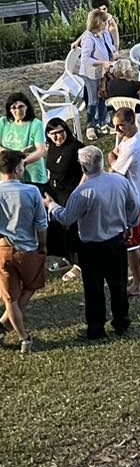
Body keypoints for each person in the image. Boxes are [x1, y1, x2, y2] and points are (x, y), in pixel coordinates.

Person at [44, 145, 140, 341]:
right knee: (119, 284)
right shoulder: (119, 181)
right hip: (116, 242)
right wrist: (130, 224)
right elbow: (134, 206)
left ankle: (96, 329)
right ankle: (121, 322)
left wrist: (51, 205)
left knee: (94, 289)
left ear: (83, 167)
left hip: (91, 247)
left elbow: (66, 218)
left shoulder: (83, 192)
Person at [0, 149, 47, 353]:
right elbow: (41, 223)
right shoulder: (31, 191)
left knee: (9, 298)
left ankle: (23, 338)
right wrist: (43, 245)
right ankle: (8, 327)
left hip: (3, 248)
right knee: (31, 285)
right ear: (18, 169)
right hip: (27, 248)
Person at [108, 108, 140, 297]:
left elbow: (115, 171)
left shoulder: (132, 146)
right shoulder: (136, 137)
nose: (117, 130)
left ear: (131, 122)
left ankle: (137, 284)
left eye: (121, 126)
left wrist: (111, 158)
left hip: (131, 203)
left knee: (131, 245)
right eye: (115, 126)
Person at [44, 117, 83, 280]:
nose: (57, 137)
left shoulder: (76, 148)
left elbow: (86, 172)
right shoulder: (52, 147)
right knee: (58, 227)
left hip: (72, 193)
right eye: (53, 134)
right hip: (55, 192)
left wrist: (79, 192)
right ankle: (67, 256)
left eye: (61, 132)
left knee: (73, 228)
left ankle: (79, 264)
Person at [79, 8, 118, 140]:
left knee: (103, 96)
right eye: (104, 21)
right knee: (93, 100)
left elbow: (110, 46)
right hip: (91, 73)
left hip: (103, 72)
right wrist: (102, 62)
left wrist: (114, 53)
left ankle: (103, 123)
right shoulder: (88, 37)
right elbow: (85, 59)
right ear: (97, 22)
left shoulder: (104, 33)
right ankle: (90, 126)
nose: (106, 23)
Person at [0, 92, 47, 188]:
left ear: (27, 107)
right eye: (13, 108)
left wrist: (22, 163)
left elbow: (41, 150)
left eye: (21, 106)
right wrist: (14, 155)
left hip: (32, 176)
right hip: (7, 174)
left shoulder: (35, 124)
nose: (17, 110)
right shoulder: (4, 122)